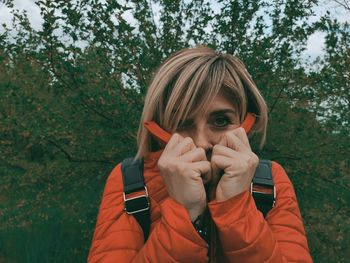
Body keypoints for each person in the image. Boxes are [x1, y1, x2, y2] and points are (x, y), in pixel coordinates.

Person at [88, 46, 313, 262]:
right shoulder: (131, 180)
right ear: (159, 130)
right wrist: (184, 213)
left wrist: (236, 209)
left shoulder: (270, 181)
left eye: (221, 121)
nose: (201, 142)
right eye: (182, 123)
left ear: (246, 124)